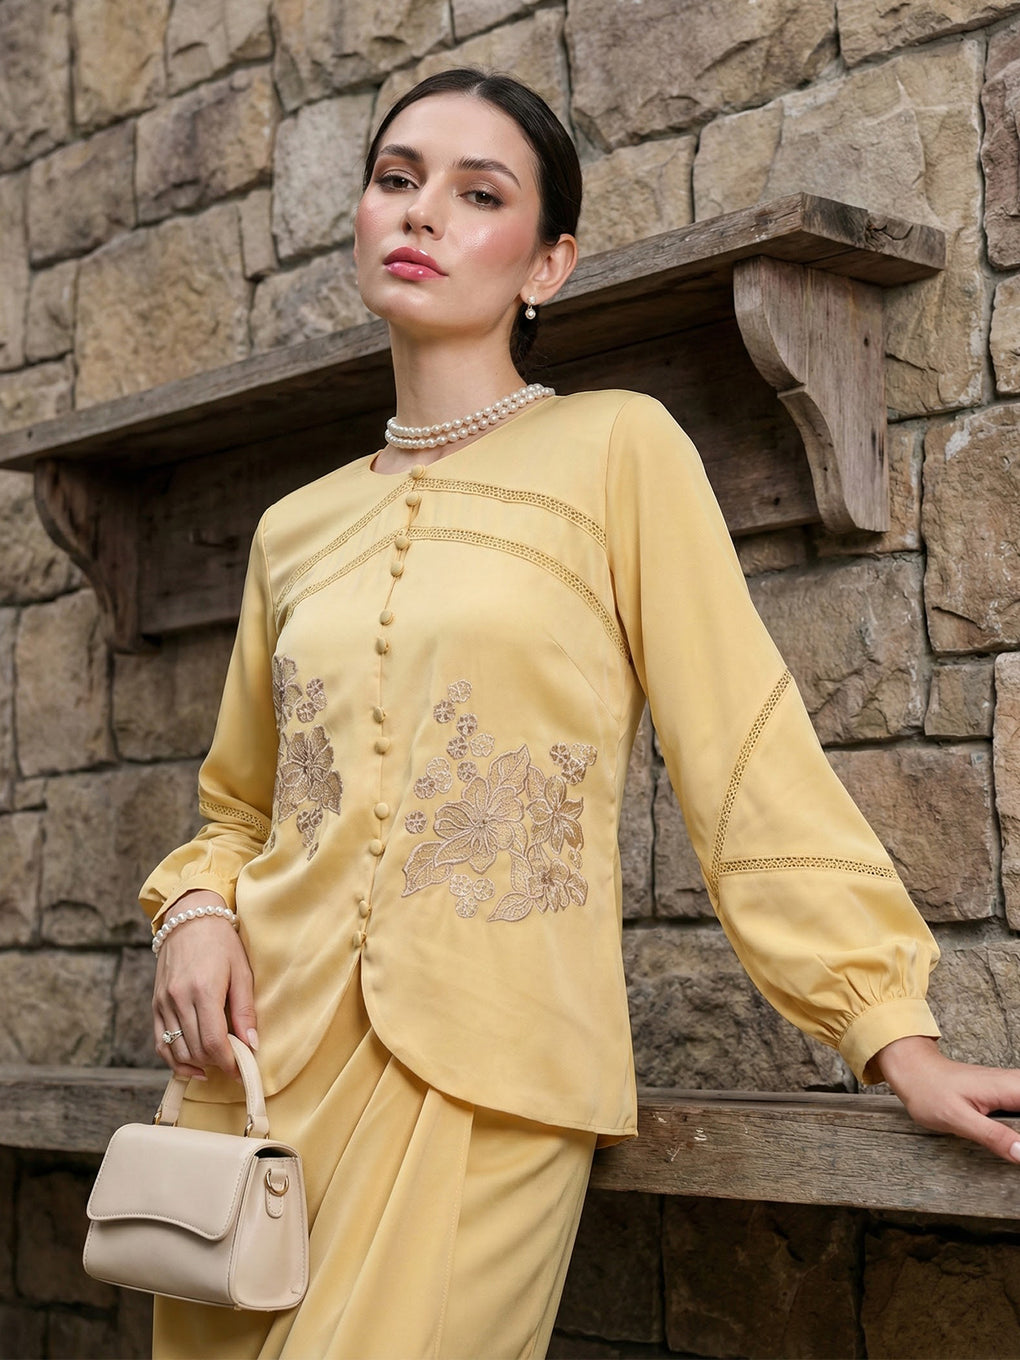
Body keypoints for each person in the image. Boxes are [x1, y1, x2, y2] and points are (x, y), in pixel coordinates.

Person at [141, 66, 1020, 1360]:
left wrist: (891, 1033)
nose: (421, 212)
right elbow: (240, 807)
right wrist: (197, 913)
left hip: (491, 1079)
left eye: (477, 194)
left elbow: (741, 746)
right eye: (397, 179)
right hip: (258, 1083)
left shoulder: (620, 450)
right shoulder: (293, 528)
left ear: (547, 263)